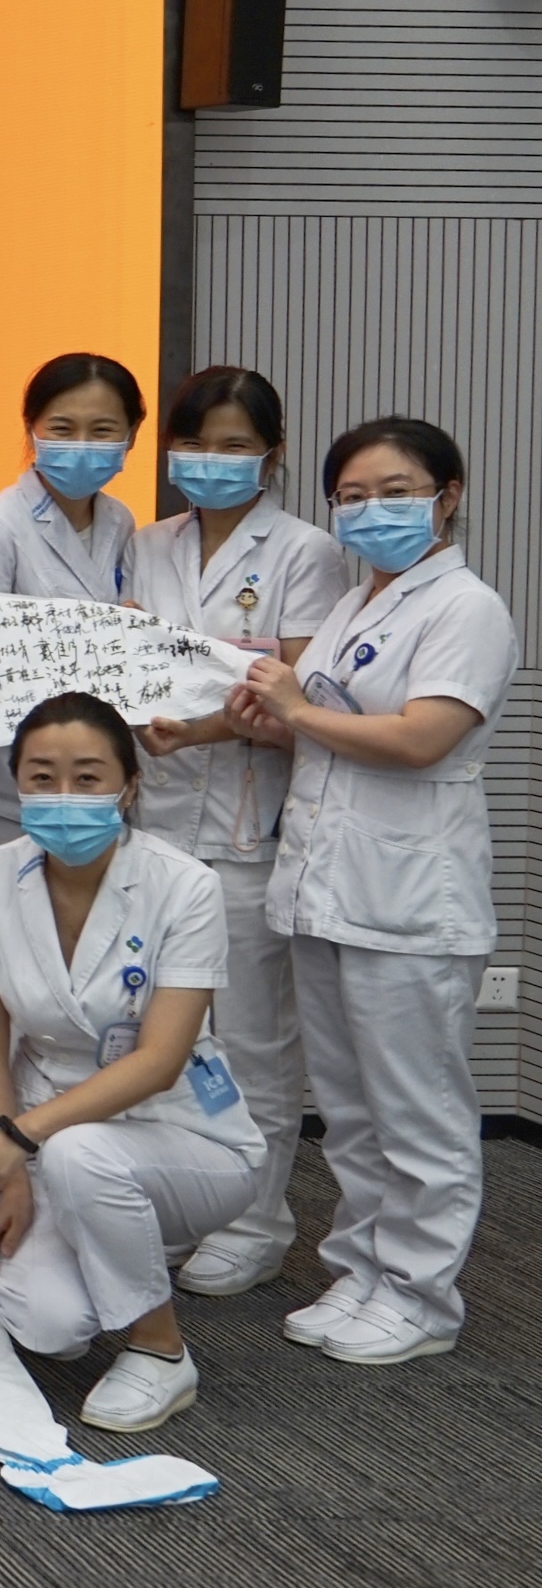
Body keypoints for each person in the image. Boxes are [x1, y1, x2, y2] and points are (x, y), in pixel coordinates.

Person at [232, 417, 516, 1365]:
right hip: (326, 882)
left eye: (395, 491)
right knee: (350, 1108)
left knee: (417, 1109)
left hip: (410, 895)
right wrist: (265, 719)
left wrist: (297, 707)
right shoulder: (360, 602)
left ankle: (422, 1294)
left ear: (448, 494)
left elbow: (422, 736)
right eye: (351, 496)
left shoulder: (467, 607)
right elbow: (326, 724)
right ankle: (362, 1267)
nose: (370, 510)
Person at [0, 693, 260, 1436]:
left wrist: (20, 1140)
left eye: (87, 778)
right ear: (16, 783)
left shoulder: (184, 884)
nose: (64, 796)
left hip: (186, 1135)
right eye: (42, 777)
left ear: (128, 786)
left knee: (83, 1154)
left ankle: (159, 1349)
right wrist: (14, 1180)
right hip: (49, 1135)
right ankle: (113, 1233)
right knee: (45, 1323)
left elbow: (158, 1061)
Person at [127, 367, 353, 1296]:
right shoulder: (149, 543)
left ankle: (256, 1222)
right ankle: (187, 1205)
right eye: (194, 443)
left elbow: (298, 696)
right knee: (163, 1033)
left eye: (233, 445)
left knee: (252, 1037)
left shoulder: (305, 552)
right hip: (153, 814)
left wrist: (199, 725)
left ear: (272, 452)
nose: (210, 461)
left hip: (247, 823)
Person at [0, 353, 148, 956]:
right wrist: (95, 647)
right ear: (31, 428)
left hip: (90, 799)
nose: (82, 446)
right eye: (62, 428)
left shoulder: (119, 521)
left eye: (102, 431)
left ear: (131, 436)